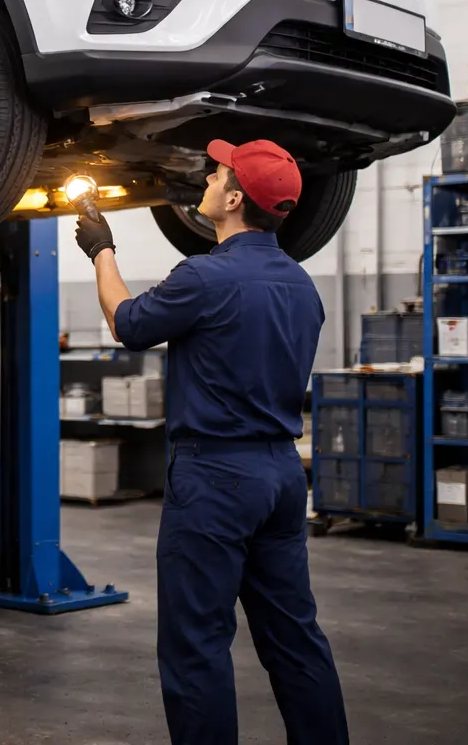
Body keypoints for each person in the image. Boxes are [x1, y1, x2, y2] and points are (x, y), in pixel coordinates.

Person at [71, 139, 349, 745]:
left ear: (234, 199)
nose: (206, 179)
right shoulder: (302, 285)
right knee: (296, 640)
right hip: (281, 477)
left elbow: (127, 323)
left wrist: (101, 250)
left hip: (215, 480)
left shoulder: (204, 276)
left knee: (196, 646)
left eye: (217, 174)